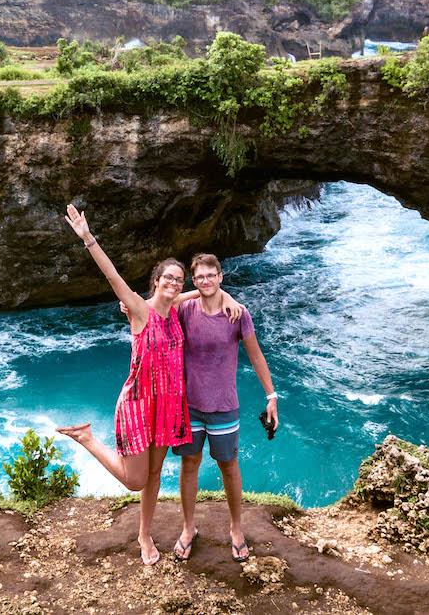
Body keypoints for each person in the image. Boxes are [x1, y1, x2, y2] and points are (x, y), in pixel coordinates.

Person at [56, 203, 243, 565]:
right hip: (140, 404)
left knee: (155, 476)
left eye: (178, 279)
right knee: (135, 481)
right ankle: (88, 439)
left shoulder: (176, 306)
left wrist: (230, 296)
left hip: (169, 406)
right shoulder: (139, 309)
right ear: (155, 281)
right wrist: (88, 238)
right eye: (167, 278)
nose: (174, 283)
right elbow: (112, 277)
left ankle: (145, 535)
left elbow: (206, 293)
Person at [171, 252, 278, 564]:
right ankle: (188, 529)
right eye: (199, 277)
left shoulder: (238, 314)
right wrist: (211, 292)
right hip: (189, 406)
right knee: (189, 465)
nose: (205, 281)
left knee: (229, 466)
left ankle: (236, 529)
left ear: (221, 276)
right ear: (193, 281)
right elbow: (161, 303)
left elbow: (256, 356)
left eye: (211, 276)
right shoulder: (185, 309)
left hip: (224, 406)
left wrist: (272, 396)